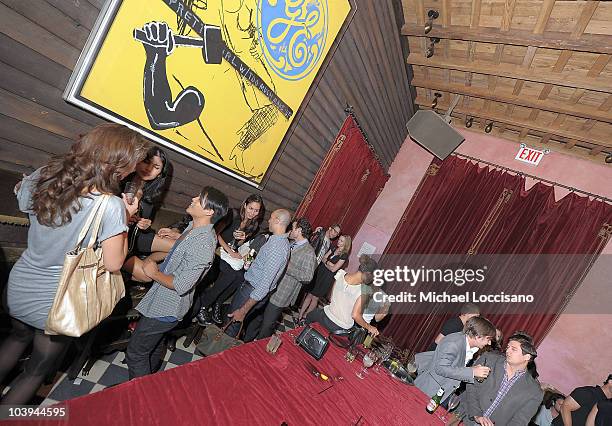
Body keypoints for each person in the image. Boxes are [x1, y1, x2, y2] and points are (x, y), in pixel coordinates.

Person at [0, 124, 149, 404]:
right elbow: (114, 262)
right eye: (133, 161)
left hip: (17, 286)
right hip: (55, 302)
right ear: (117, 160)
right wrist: (126, 220)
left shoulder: (44, 176)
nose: (133, 168)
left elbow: (22, 196)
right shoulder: (110, 205)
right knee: (35, 372)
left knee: (14, 340)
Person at [125, 187, 228, 379]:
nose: (193, 197)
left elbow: (181, 284)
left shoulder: (203, 244)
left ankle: (140, 399)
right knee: (153, 346)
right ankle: (152, 378)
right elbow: (177, 255)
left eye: (200, 198)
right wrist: (155, 258)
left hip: (166, 307)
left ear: (209, 211)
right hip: (161, 299)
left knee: (135, 353)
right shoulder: (194, 227)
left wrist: (154, 273)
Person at [195, 194, 265, 326]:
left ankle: (218, 302)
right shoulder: (232, 214)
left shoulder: (254, 225)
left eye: (256, 210)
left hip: (228, 254)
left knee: (240, 276)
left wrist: (243, 238)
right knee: (230, 273)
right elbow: (215, 232)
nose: (253, 213)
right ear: (245, 205)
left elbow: (239, 245)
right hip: (216, 249)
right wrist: (230, 251)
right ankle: (204, 305)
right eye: (251, 208)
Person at [244, 218, 317, 341]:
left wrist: (287, 266)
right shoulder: (290, 243)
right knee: (257, 318)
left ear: (299, 230)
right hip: (270, 287)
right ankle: (246, 342)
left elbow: (308, 277)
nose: (290, 230)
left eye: (292, 228)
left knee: (267, 325)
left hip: (282, 293)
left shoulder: (309, 252)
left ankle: (259, 351)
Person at [225, 209, 291, 338]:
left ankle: (218, 356)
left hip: (251, 292)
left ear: (278, 220)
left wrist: (243, 311)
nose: (269, 220)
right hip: (249, 288)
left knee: (231, 327)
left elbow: (265, 284)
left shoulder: (278, 247)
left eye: (271, 218)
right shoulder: (275, 240)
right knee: (232, 324)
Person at [463, 332, 544, 426]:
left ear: (527, 356)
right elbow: (471, 387)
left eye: (513, 349)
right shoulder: (489, 360)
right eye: (508, 347)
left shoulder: (534, 391)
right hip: (463, 417)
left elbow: (520, 421)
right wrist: (476, 415)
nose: (508, 351)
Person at [415, 316, 496, 403]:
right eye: (488, 339)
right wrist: (472, 372)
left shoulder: (470, 346)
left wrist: (474, 371)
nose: (489, 343)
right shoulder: (454, 343)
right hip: (428, 391)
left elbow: (455, 367)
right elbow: (440, 368)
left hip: (443, 391)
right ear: (478, 336)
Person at [305, 255, 380, 336]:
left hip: (325, 316)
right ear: (368, 274)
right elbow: (355, 315)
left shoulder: (340, 274)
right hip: (341, 327)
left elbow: (330, 298)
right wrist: (369, 327)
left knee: (309, 317)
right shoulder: (365, 290)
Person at [120, 147, 172, 256]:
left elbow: (145, 223)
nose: (149, 168)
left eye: (156, 167)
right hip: (113, 234)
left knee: (176, 247)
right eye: (146, 162)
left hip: (133, 240)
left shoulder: (151, 196)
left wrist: (146, 226)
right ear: (138, 160)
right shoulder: (119, 182)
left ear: (160, 174)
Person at [298, 234, 351, 322]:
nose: (338, 241)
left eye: (341, 241)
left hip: (327, 278)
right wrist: (329, 263)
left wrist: (327, 262)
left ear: (346, 244)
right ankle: (300, 315)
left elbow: (334, 269)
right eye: (339, 240)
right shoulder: (334, 248)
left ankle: (305, 317)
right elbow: (323, 258)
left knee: (315, 297)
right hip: (320, 273)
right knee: (309, 294)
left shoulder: (344, 256)